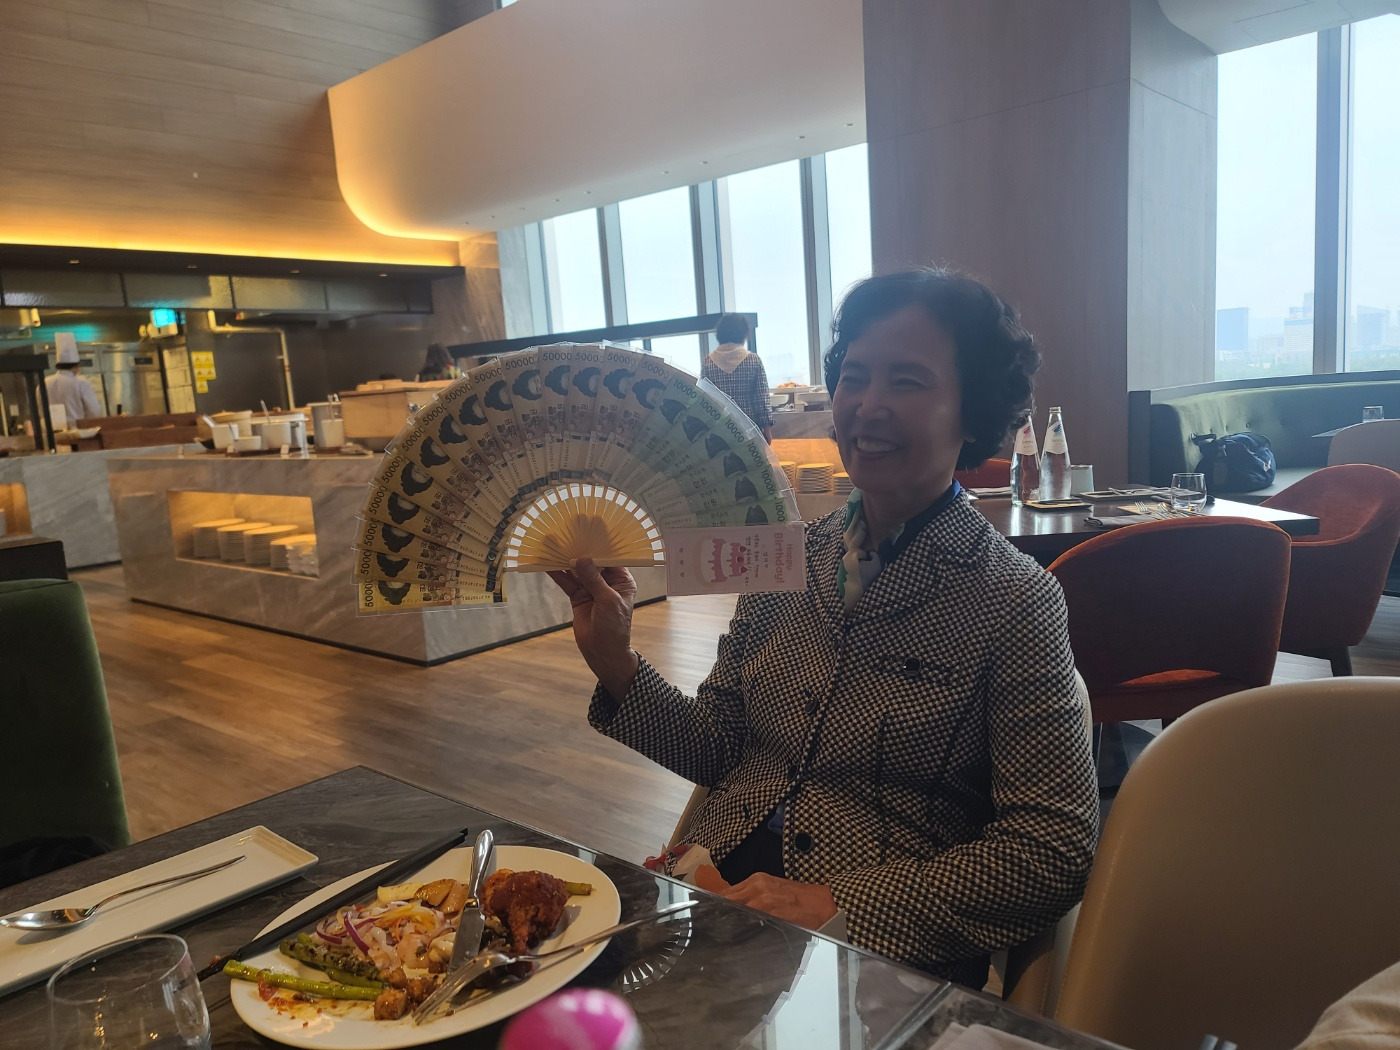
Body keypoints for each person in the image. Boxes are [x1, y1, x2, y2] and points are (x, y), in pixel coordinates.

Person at [548, 268, 1098, 986]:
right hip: (711, 892)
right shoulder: (783, 557)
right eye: (855, 377)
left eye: (906, 381)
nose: (868, 405)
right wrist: (616, 662)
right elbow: (720, 750)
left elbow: (1051, 848)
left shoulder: (1014, 599)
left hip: (878, 949)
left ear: (973, 411)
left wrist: (837, 903)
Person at [701, 314, 774, 443]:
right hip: (750, 429)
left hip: (720, 430)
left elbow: (704, 399)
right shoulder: (753, 360)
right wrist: (767, 429)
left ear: (719, 334)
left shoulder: (708, 362)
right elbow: (761, 399)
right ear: (744, 335)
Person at [45, 342, 103, 426]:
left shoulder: (45, 382)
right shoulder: (81, 383)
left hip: (51, 430)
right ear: (77, 366)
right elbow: (94, 410)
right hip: (77, 429)